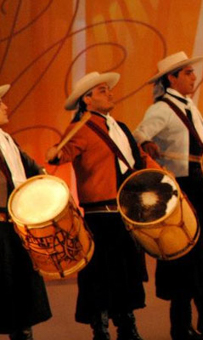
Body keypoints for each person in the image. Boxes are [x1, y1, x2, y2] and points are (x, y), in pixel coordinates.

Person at [133, 51, 203, 340]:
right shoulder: (161, 109)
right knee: (183, 257)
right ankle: (180, 327)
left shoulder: (188, 106)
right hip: (181, 190)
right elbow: (139, 134)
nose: (194, 77)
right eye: (187, 72)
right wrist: (147, 142)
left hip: (199, 186)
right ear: (171, 78)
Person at [45, 71, 159, 340]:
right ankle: (102, 330)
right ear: (87, 100)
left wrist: (162, 177)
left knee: (126, 273)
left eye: (108, 89)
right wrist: (56, 154)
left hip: (126, 211)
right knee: (100, 276)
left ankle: (127, 328)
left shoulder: (120, 127)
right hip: (101, 214)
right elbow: (64, 152)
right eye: (102, 90)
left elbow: (139, 158)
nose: (109, 93)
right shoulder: (80, 130)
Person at [0, 84, 51, 340]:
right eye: (0, 103)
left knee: (21, 288)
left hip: (16, 225)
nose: (5, 106)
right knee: (3, 288)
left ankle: (23, 334)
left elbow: (31, 168)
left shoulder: (8, 140)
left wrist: (46, 180)